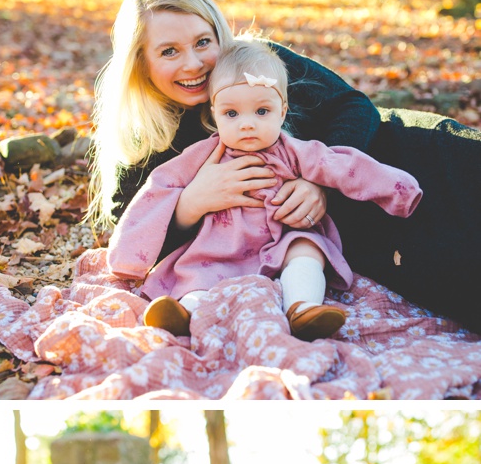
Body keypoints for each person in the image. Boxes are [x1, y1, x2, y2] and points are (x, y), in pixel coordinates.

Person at [89, 0, 481, 334]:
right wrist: (190, 203)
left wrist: (317, 184)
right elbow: (130, 228)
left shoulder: (256, 64)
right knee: (457, 276)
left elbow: (354, 106)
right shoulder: (145, 140)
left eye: (203, 42)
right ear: (140, 62)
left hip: (398, 158)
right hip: (371, 233)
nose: (194, 64)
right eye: (169, 51)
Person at [107, 38, 421, 341]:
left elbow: (345, 166)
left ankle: (304, 309)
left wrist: (399, 190)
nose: (247, 124)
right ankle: (186, 313)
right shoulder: (203, 155)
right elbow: (157, 190)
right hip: (221, 244)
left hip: (283, 235)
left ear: (282, 111)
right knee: (198, 271)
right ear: (215, 113)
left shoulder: (296, 151)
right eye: (232, 113)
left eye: (261, 112)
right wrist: (128, 253)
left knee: (307, 250)